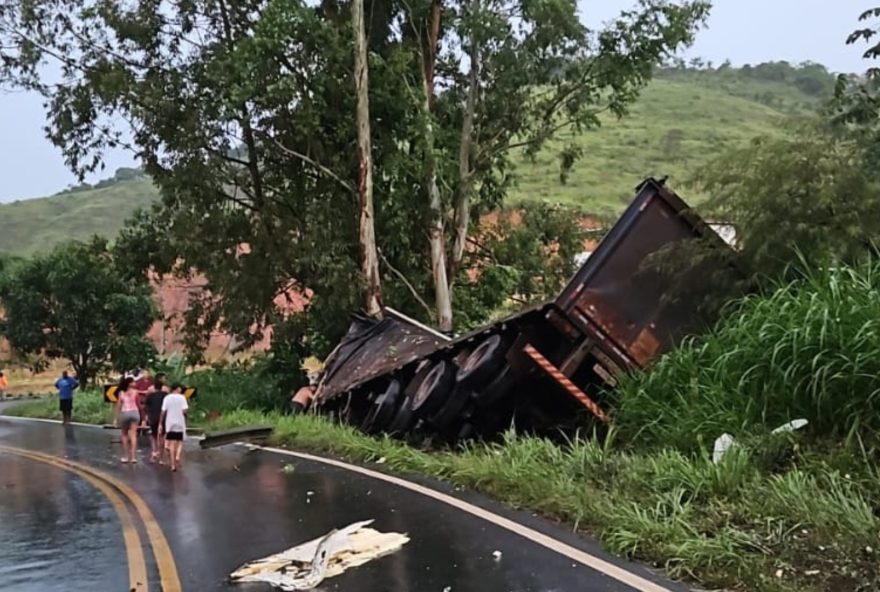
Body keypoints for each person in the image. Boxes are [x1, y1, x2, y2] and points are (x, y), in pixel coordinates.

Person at [160, 384, 188, 472]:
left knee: (171, 444)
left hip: (170, 423)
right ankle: (177, 456)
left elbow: (163, 411)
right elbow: (184, 410)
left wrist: (160, 423)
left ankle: (172, 465)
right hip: (180, 422)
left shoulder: (167, 398)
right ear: (176, 388)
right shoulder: (182, 398)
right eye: (179, 388)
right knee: (179, 442)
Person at [114, 377, 140, 463]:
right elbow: (138, 404)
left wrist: (116, 418)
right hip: (135, 413)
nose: (135, 383)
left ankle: (125, 456)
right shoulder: (135, 392)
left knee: (124, 434)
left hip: (125, 413)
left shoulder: (121, 393)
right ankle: (133, 457)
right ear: (129, 383)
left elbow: (119, 406)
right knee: (133, 435)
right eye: (133, 382)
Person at [145, 375, 169, 463]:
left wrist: (146, 417)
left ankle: (154, 452)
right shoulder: (166, 395)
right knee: (162, 436)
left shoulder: (150, 396)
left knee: (153, 436)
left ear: (154, 387)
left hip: (153, 417)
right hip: (163, 418)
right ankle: (161, 457)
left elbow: (146, 406)